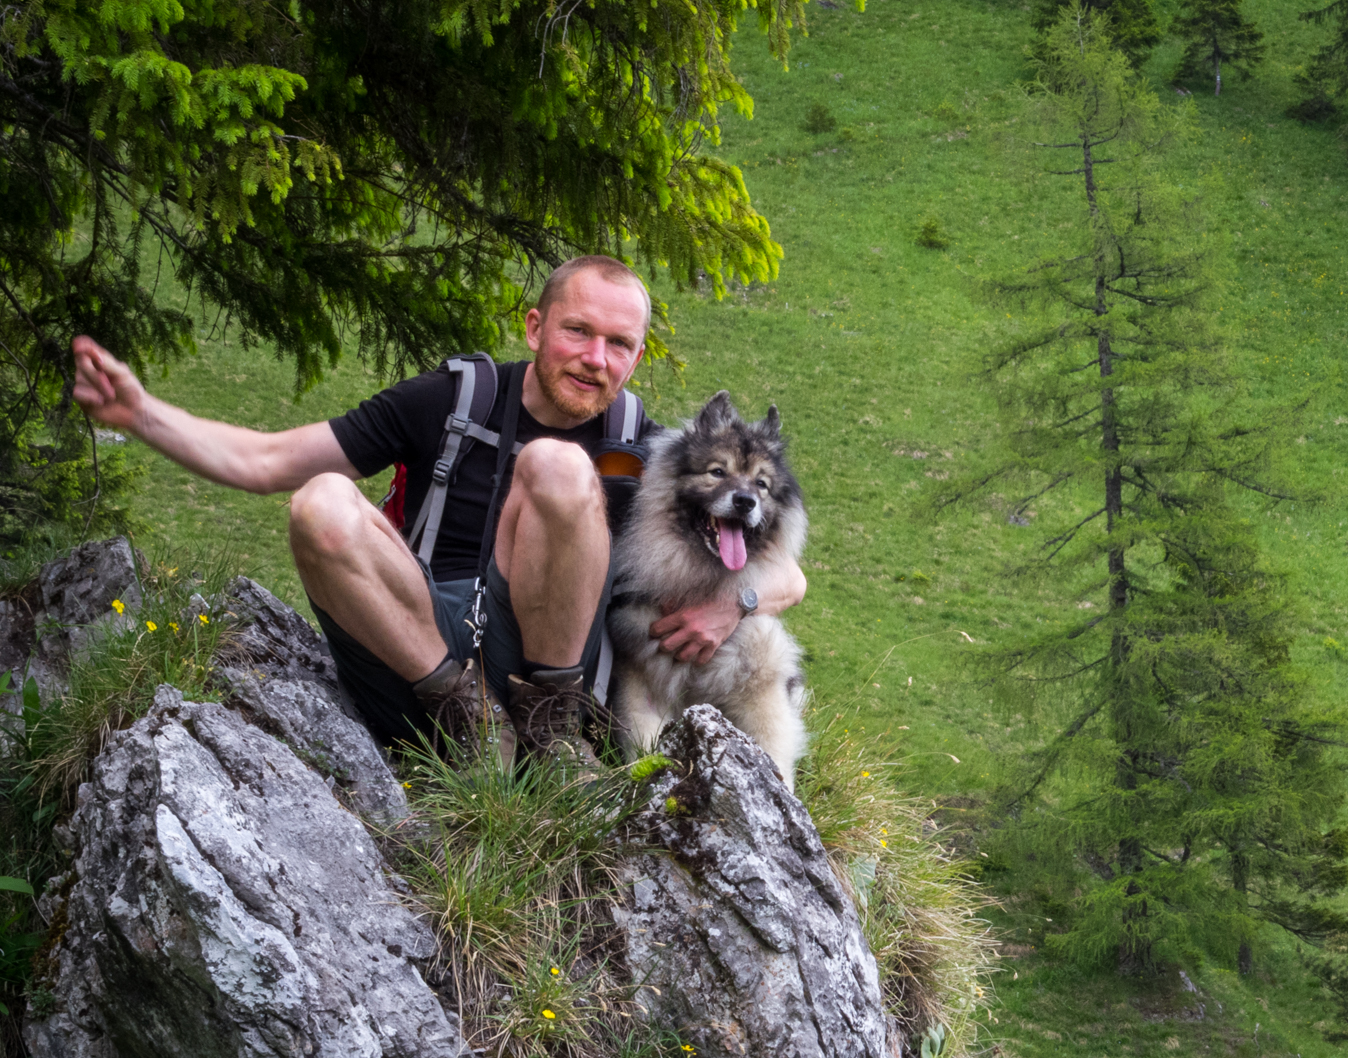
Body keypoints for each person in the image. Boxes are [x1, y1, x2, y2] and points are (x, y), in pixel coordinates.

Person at [70, 256, 805, 765]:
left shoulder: (640, 443)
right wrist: (143, 415)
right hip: (418, 640)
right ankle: (470, 718)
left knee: (554, 465)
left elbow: (787, 576)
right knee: (320, 500)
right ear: (534, 327)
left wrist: (731, 604)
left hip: (549, 663)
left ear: (636, 358)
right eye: (578, 331)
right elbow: (267, 462)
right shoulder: (451, 400)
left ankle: (549, 732)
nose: (596, 359)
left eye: (619, 344)